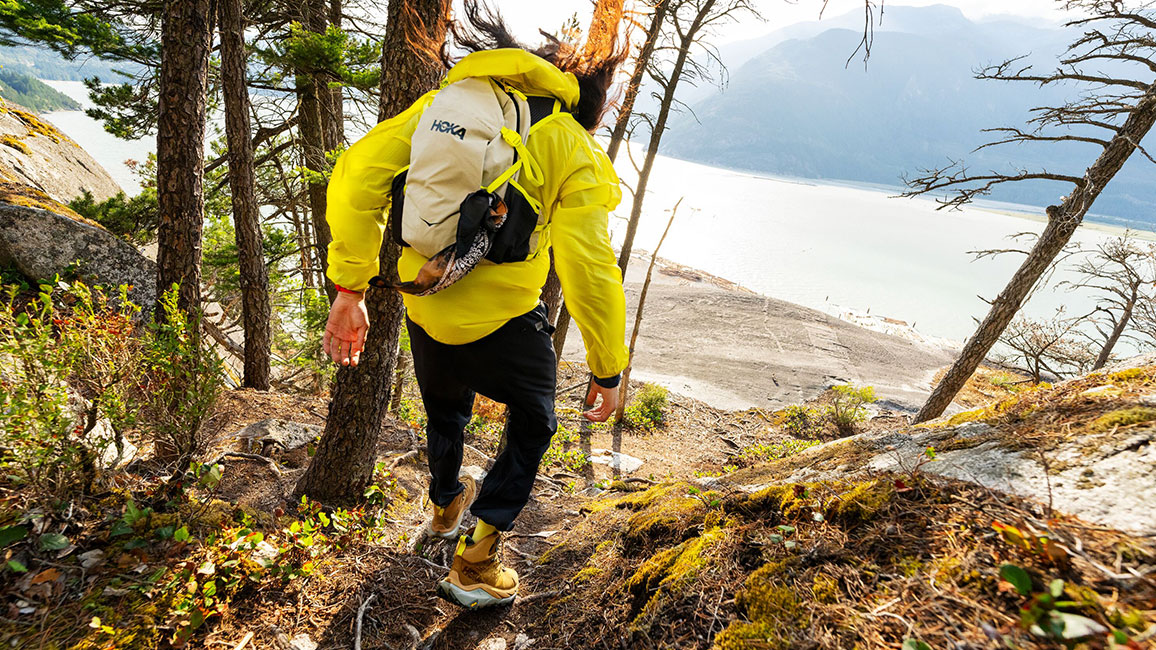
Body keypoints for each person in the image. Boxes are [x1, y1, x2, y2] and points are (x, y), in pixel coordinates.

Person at [320, 3, 628, 609]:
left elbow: (356, 175)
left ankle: (442, 506)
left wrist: (349, 289)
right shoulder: (566, 138)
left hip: (427, 306)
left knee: (445, 409)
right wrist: (607, 366)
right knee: (534, 422)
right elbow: (588, 264)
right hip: (507, 318)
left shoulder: (445, 107)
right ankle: (476, 562)